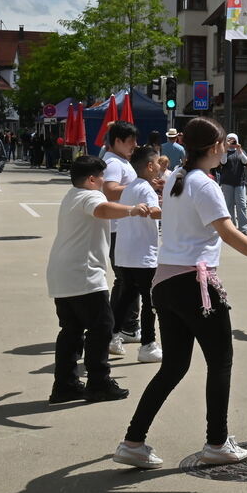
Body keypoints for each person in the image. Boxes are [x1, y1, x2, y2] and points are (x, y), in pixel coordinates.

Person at [113, 117, 247, 470]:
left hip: (165, 282)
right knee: (220, 361)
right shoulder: (203, 184)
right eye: (223, 146)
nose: (225, 151)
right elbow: (228, 233)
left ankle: (133, 441)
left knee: (174, 366)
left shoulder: (177, 180)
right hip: (195, 283)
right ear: (213, 148)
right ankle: (216, 442)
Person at [47, 155, 151, 406]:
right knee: (101, 327)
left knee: (71, 331)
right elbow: (102, 209)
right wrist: (132, 210)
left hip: (63, 274)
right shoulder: (90, 195)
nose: (104, 182)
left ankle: (65, 385)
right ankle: (99, 383)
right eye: (102, 177)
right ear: (92, 179)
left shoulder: (72, 195)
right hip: (84, 275)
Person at [110, 147, 164, 364]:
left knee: (127, 297)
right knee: (150, 301)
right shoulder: (146, 190)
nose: (161, 166)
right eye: (158, 162)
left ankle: (112, 336)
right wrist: (176, 209)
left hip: (126, 253)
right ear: (150, 166)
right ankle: (148, 345)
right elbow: (153, 212)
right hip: (143, 255)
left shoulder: (131, 188)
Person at [102, 122, 142, 343]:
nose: (134, 145)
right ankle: (123, 326)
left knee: (125, 280)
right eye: (130, 141)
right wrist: (140, 187)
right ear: (117, 141)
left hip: (123, 227)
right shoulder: (114, 163)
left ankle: (119, 324)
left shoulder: (120, 161)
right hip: (119, 229)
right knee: (127, 279)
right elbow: (110, 190)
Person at [215, 133, 247, 236]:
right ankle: (231, 227)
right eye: (229, 140)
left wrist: (239, 150)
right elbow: (223, 162)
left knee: (241, 205)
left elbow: (245, 161)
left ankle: (244, 227)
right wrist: (226, 148)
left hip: (239, 182)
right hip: (227, 182)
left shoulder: (240, 151)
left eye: (234, 140)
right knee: (229, 205)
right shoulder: (224, 152)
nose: (232, 142)